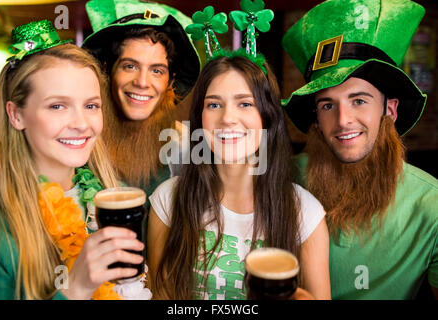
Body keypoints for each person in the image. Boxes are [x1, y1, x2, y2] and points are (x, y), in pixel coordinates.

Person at [282, 0, 437, 299]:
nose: (342, 121)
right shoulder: (283, 178)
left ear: (389, 110)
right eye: (327, 105)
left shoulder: (432, 206)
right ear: (316, 118)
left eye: (359, 100)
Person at [147, 52, 330, 299]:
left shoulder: (305, 213)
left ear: (267, 116)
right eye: (214, 104)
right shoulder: (168, 199)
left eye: (245, 103)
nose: (228, 119)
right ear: (199, 119)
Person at [0, 20, 147, 300]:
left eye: (90, 106)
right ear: (16, 115)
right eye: (57, 106)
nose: (81, 123)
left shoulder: (116, 197)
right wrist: (77, 288)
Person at [82, 0, 200, 199]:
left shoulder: (187, 147)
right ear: (106, 70)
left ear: (170, 81)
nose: (142, 82)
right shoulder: (79, 138)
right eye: (130, 66)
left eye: (157, 70)